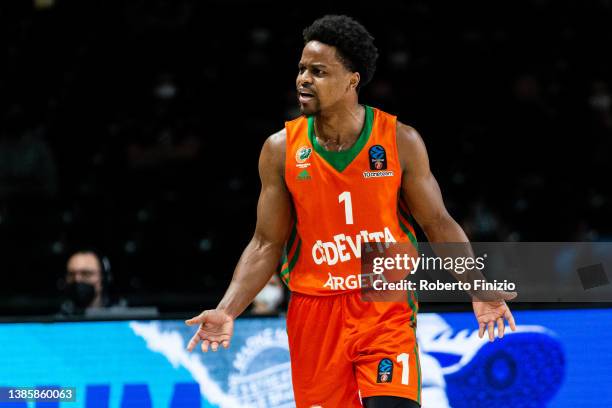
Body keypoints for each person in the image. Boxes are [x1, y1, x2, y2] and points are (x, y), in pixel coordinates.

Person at [186, 15, 516, 407]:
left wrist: (477, 286)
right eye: (302, 69)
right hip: (313, 311)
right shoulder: (280, 149)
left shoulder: (399, 140)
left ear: (352, 80)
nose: (303, 79)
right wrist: (227, 310)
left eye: (319, 71)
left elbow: (436, 222)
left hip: (382, 303)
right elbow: (265, 243)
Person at [58, 249, 118, 316]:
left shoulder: (122, 320)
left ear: (103, 278)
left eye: (86, 274)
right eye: (71, 274)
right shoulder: (54, 322)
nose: (77, 279)